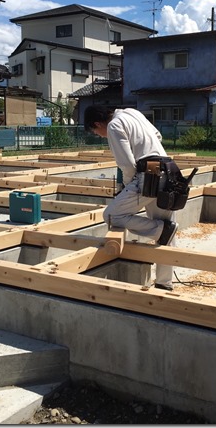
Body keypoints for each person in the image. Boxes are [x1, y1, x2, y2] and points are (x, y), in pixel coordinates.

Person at [84, 105, 177, 291]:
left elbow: (127, 165)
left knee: (112, 215)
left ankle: (159, 230)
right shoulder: (132, 112)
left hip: (148, 175)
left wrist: (127, 187)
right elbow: (157, 136)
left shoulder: (114, 125)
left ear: (97, 123)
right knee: (168, 226)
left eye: (96, 132)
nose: (100, 135)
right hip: (168, 170)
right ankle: (164, 283)